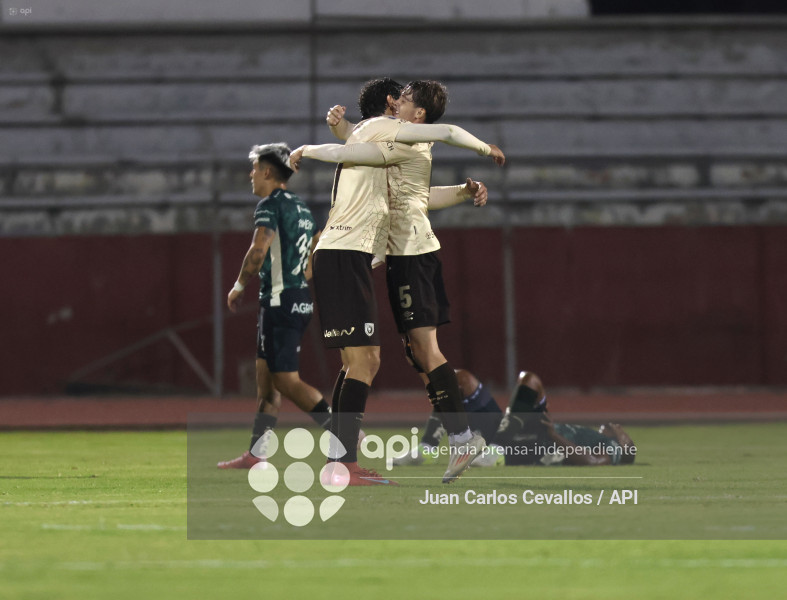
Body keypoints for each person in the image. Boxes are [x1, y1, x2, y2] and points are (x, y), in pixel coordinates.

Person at [289, 78, 505, 485]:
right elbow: (359, 149)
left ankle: (455, 439)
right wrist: (323, 140)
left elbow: (407, 177)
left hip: (404, 254)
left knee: (404, 355)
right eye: (399, 97)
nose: (402, 103)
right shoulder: (389, 134)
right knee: (381, 358)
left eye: (408, 99)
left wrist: (468, 178)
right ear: (390, 106)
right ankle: (349, 459)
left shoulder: (401, 139)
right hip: (368, 254)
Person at [217, 143, 329, 469]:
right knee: (266, 383)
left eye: (254, 169)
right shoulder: (304, 210)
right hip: (291, 297)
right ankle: (256, 454)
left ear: (267, 171)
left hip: (282, 300)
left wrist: (239, 286)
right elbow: (308, 267)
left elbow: (258, 250)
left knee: (285, 381)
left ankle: (343, 429)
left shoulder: (270, 205)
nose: (251, 175)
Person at [494, 371, 638, 466]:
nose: (618, 425)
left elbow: (594, 461)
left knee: (531, 380)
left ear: (624, 444)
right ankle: (499, 437)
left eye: (624, 433)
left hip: (541, 444)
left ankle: (498, 439)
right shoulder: (594, 439)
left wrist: (554, 435)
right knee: (528, 380)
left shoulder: (612, 446)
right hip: (538, 436)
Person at [392, 368, 506, 468]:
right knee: (451, 381)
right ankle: (427, 447)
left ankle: (497, 450)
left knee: (457, 379)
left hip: (511, 442)